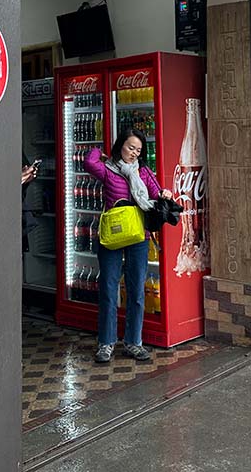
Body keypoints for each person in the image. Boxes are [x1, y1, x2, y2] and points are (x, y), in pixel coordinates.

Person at [85, 128, 172, 363]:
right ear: (120, 145)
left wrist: (164, 193)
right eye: (130, 147)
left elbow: (155, 192)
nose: (134, 153)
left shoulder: (143, 172)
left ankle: (133, 342)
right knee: (108, 289)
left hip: (139, 236)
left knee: (136, 292)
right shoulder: (108, 170)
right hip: (112, 237)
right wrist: (100, 152)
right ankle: (106, 343)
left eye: (138, 150)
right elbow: (88, 162)